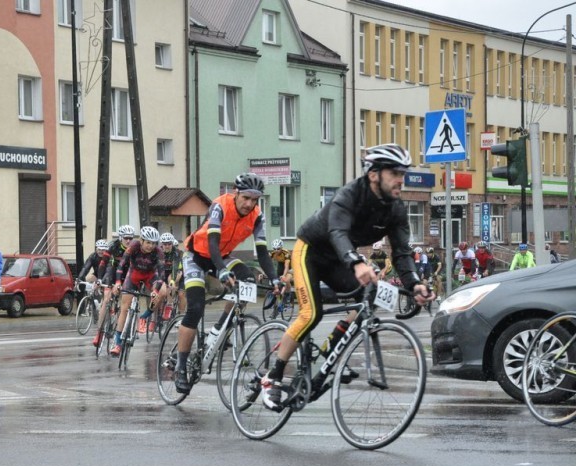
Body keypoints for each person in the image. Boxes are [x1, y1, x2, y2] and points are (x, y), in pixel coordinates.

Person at [259, 143, 434, 411]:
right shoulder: (350, 194)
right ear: (374, 174)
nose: (401, 179)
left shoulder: (396, 208)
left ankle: (330, 351)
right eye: (394, 173)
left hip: (340, 259)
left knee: (370, 294)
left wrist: (415, 284)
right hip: (311, 250)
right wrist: (355, 262)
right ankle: (273, 377)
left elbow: (401, 252)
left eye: (403, 173)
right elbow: (337, 232)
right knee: (311, 314)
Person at [174, 173, 281, 395]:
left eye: (255, 199)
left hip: (222, 255)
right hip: (197, 255)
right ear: (235, 192)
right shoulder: (219, 206)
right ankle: (180, 366)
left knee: (248, 280)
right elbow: (212, 241)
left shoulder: (257, 215)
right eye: (246, 198)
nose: (250, 204)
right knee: (195, 308)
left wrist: (275, 279)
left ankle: (218, 330)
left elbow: (262, 252)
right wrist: (221, 270)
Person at [109, 226, 165, 356]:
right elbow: (121, 265)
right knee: (124, 308)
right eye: (148, 242)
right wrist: (118, 282)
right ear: (141, 240)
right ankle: (117, 343)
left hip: (150, 276)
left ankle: (144, 317)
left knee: (162, 291)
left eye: (153, 243)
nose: (150, 246)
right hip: (134, 274)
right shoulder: (133, 246)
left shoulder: (158, 252)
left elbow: (162, 274)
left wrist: (155, 291)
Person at [92, 225, 136, 347]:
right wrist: (100, 279)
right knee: (106, 300)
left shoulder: (134, 249)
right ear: (121, 237)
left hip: (128, 275)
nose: (128, 241)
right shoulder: (113, 247)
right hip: (112, 274)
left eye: (130, 238)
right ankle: (99, 333)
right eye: (126, 238)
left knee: (125, 304)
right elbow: (103, 264)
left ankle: (125, 328)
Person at [155, 232, 185, 316]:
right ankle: (159, 311)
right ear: (161, 244)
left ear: (172, 244)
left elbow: (175, 267)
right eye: (165, 244)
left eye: (169, 244)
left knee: (181, 294)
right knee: (161, 291)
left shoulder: (177, 253)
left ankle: (178, 312)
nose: (167, 246)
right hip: (164, 273)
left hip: (177, 273)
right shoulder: (158, 252)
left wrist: (173, 280)